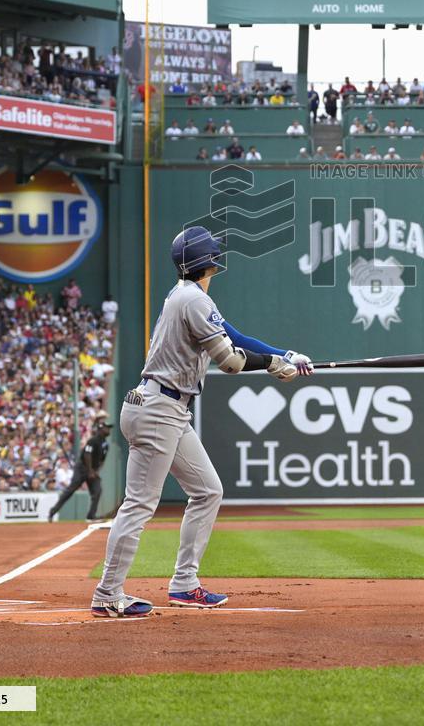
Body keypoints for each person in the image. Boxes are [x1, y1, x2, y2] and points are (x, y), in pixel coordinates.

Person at [91, 227, 313, 617]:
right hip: (159, 408)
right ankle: (108, 594)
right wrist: (273, 366)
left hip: (166, 407)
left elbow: (233, 335)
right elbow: (230, 361)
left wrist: (285, 354)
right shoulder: (194, 300)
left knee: (208, 490)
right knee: (139, 505)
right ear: (209, 262)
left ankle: (184, 584)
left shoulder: (187, 297)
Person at [48, 412, 113, 522]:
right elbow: (87, 455)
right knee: (71, 490)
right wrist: (90, 471)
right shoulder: (93, 440)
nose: (109, 430)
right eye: (107, 428)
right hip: (83, 468)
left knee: (97, 490)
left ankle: (91, 516)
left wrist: (96, 471)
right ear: (101, 429)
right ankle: (53, 511)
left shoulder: (105, 444)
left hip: (92, 470)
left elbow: (102, 460)